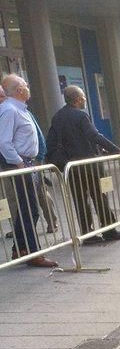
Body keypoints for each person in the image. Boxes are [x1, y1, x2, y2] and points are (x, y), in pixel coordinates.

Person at [46, 85, 120, 244]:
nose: (84, 99)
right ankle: (109, 230)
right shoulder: (81, 116)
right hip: (89, 164)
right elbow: (94, 136)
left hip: (70, 165)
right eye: (83, 97)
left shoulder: (57, 116)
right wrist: (117, 150)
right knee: (100, 196)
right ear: (77, 99)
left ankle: (87, 234)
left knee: (80, 199)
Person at [0, 73, 56, 267]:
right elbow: (4, 142)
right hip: (21, 165)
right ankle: (32, 252)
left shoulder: (20, 109)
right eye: (25, 84)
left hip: (28, 163)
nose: (28, 86)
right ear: (19, 90)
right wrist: (19, 163)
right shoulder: (9, 110)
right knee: (31, 209)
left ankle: (20, 249)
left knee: (28, 209)